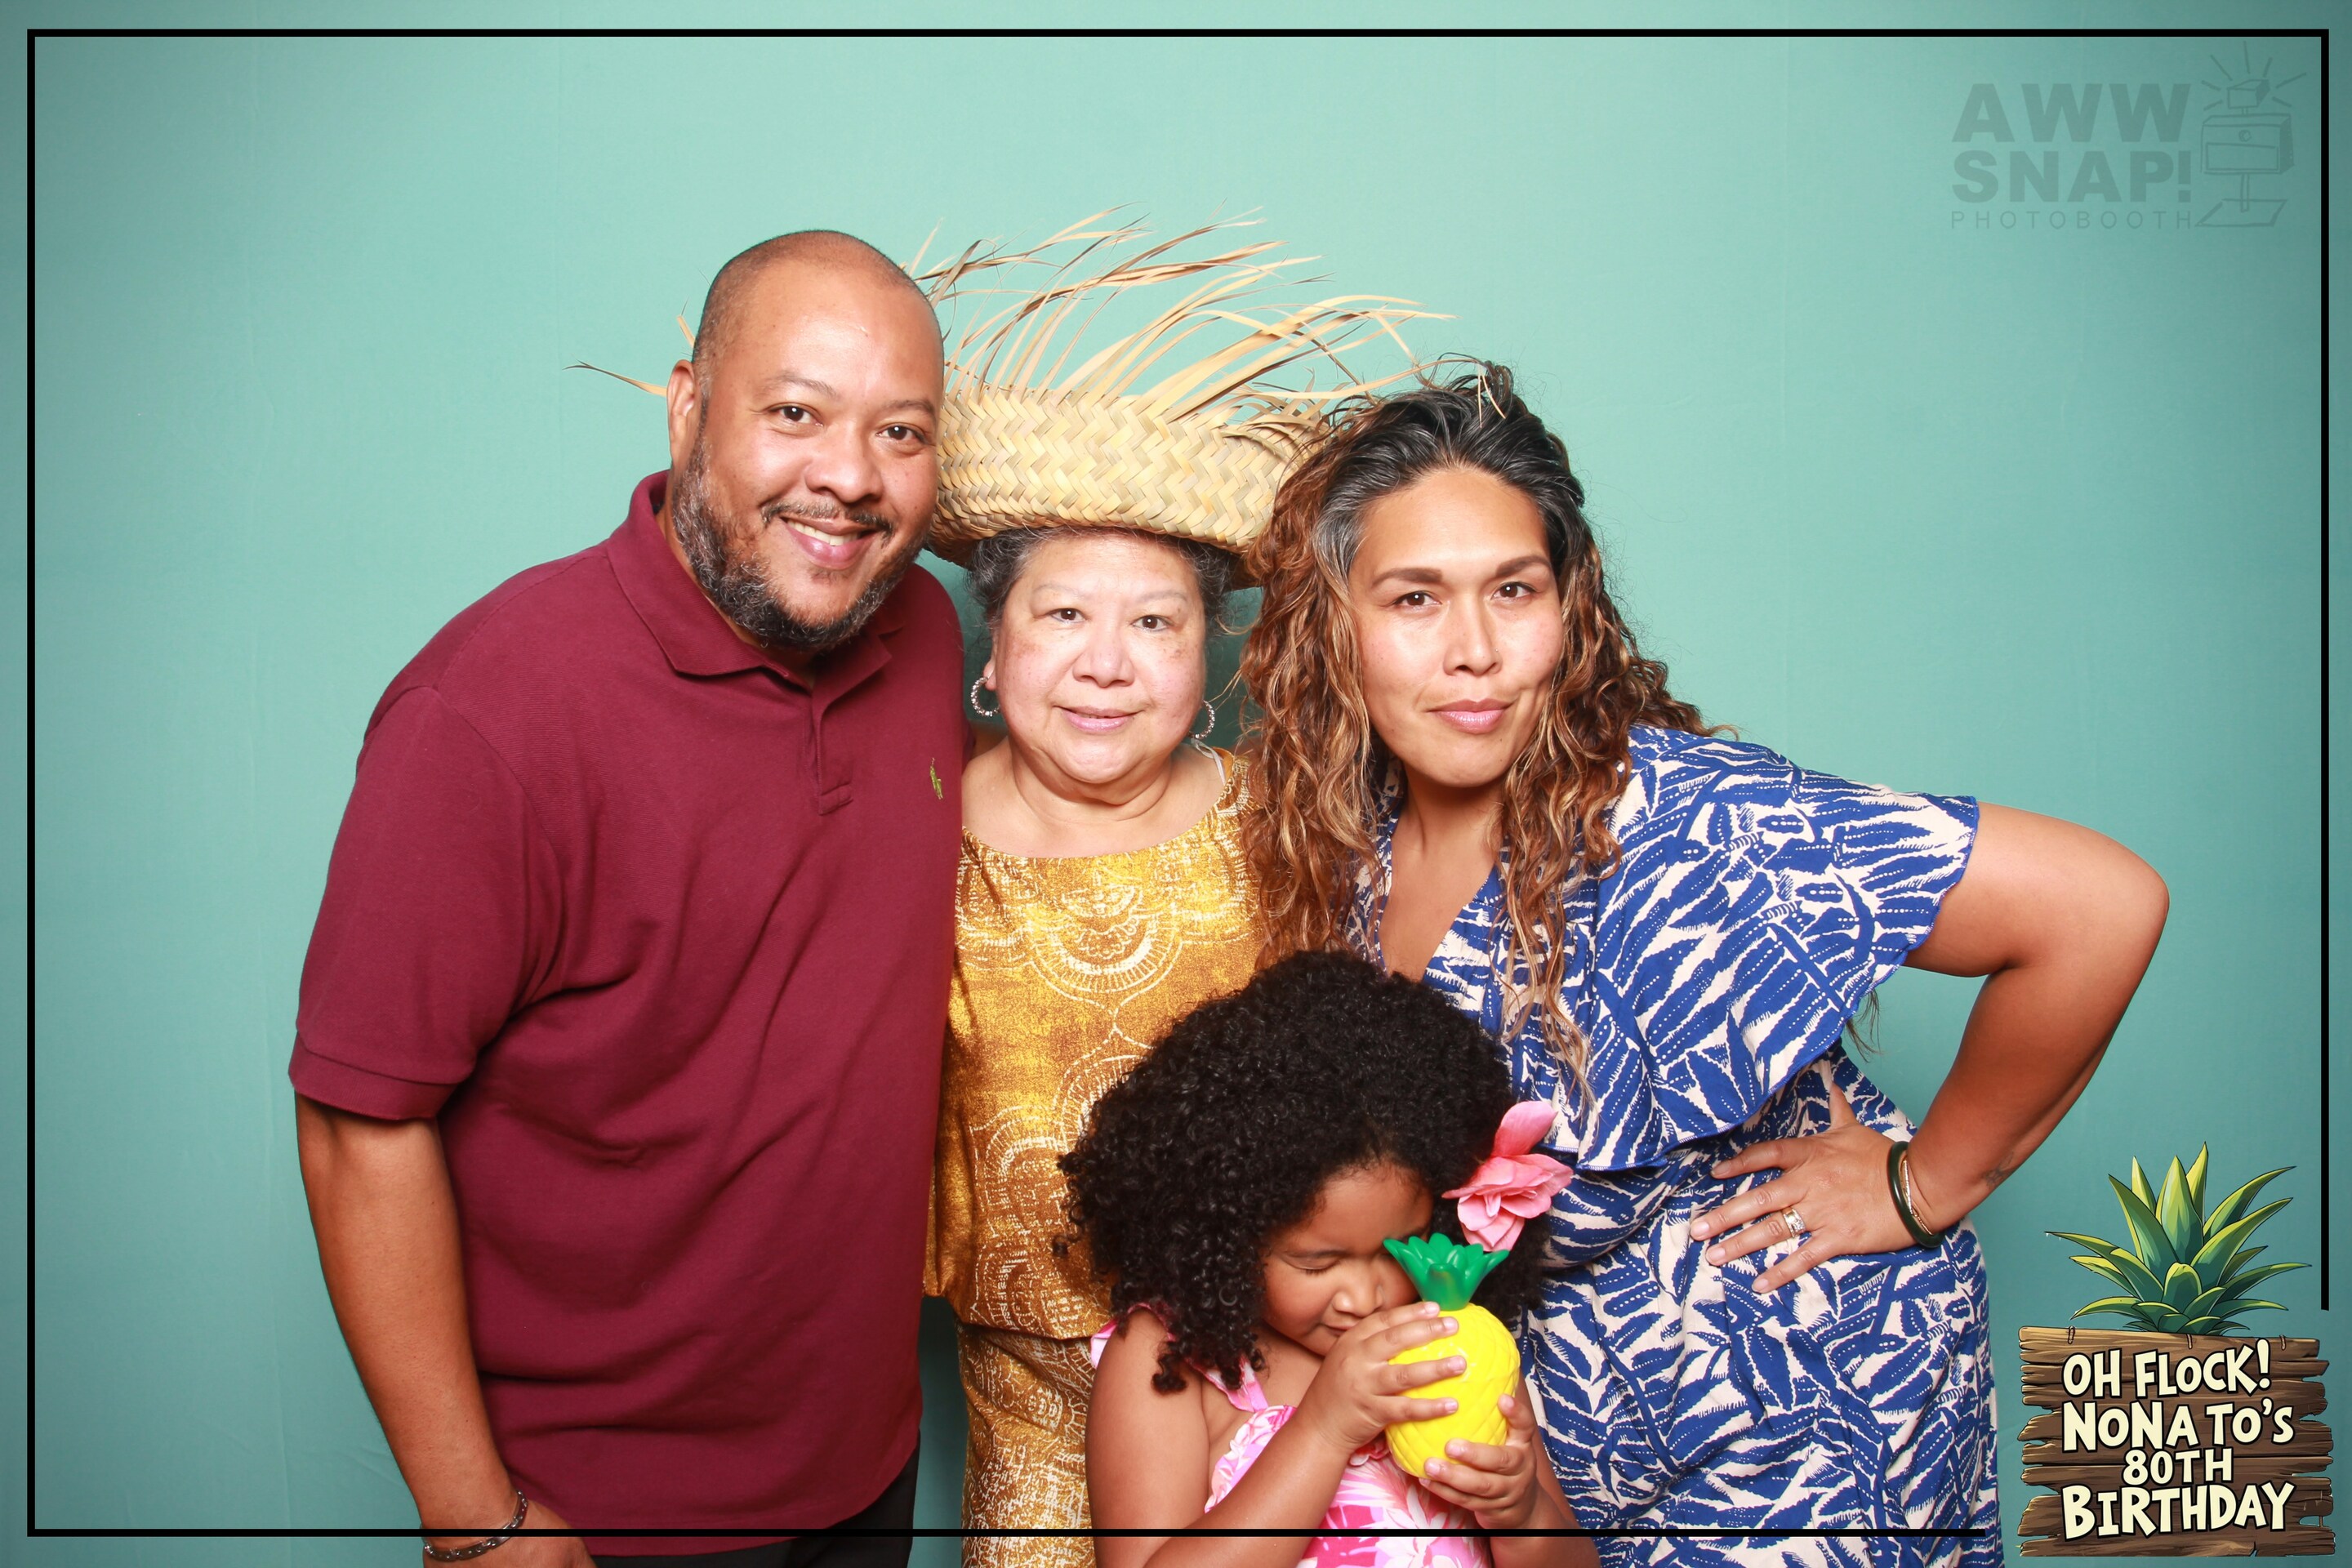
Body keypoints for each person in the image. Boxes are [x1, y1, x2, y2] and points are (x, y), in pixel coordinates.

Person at [1239, 366, 2171, 1566]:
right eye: (1414, 598)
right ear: (1335, 624)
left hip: (1804, 1414)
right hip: (1575, 1440)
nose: (1474, 651)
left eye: (1513, 591)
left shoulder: (1684, 820)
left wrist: (1921, 1187)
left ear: (1569, 607)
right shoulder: (1346, 849)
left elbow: (2101, 907)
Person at [290, 231, 964, 1566]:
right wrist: (476, 1521)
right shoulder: (491, 712)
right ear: (686, 406)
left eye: (902, 432)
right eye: (796, 413)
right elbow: (359, 1120)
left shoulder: (928, 635)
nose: (851, 476)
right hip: (601, 1511)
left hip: (865, 1467)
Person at [913, 222, 1426, 1567]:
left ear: (1208, 662)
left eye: (1154, 622)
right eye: (1062, 617)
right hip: (1028, 1393)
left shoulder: (1288, 823)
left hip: (1264, 1377)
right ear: (992, 647)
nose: (1107, 664)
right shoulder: (907, 831)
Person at [1063, 951, 1600, 1568]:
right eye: (1318, 1264)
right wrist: (1324, 1428)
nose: (1367, 1297)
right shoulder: (1171, 1357)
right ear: (1230, 1235)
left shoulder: (1452, 1340)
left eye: (1400, 1249)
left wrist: (1523, 1514)